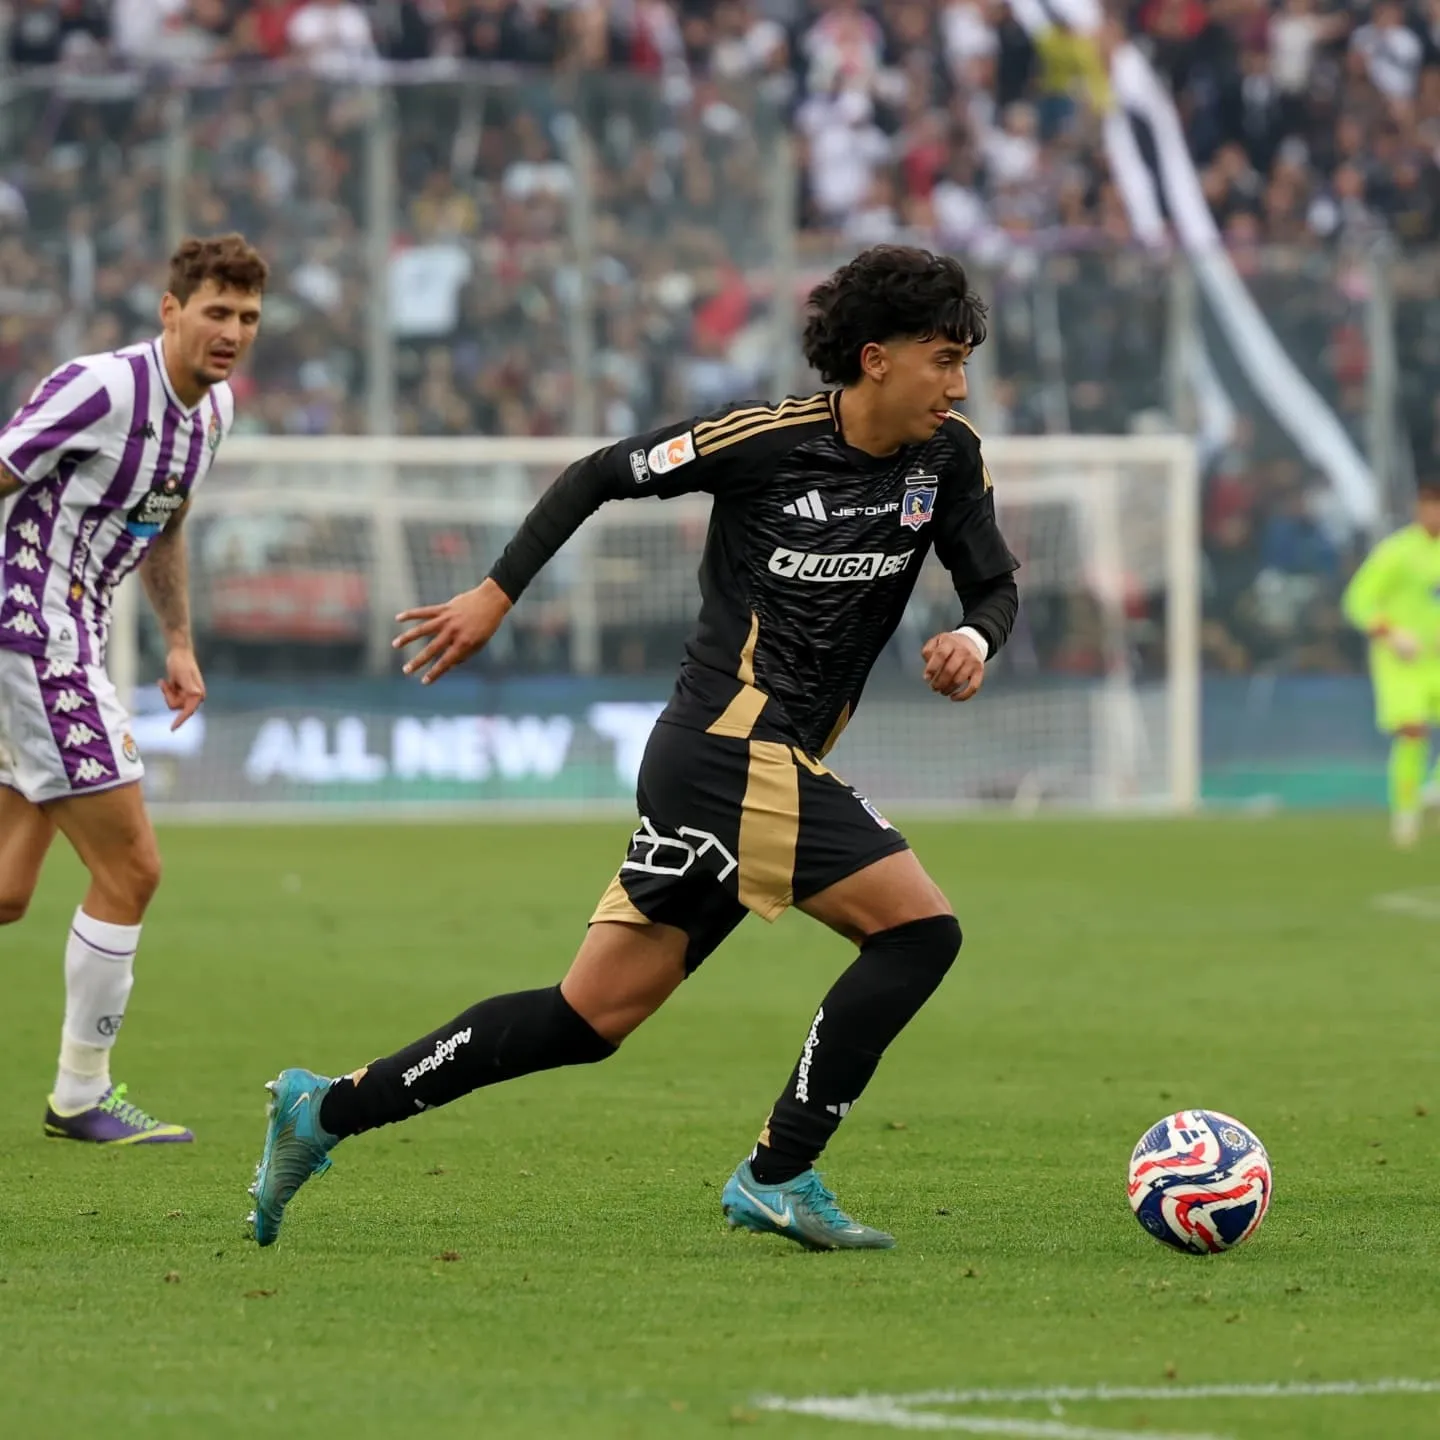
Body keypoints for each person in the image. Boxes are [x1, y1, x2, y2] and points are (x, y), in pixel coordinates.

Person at [247, 245, 1019, 1249]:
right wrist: (495, 593)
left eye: (965, 362)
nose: (958, 385)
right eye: (943, 359)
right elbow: (597, 474)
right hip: (723, 747)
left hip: (761, 763)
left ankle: (325, 1109)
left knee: (589, 1017)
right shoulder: (763, 441)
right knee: (920, 931)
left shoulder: (946, 457)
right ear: (875, 358)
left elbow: (992, 583)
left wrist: (973, 637)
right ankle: (780, 1171)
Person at [0, 234, 266, 1142]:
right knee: (133, 867)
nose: (231, 331)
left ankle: (80, 1094)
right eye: (215, 312)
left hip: (68, 637)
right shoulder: (103, 387)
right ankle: (80, 1093)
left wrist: (180, 640)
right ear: (170, 309)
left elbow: (168, 521)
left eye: (247, 318)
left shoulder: (215, 413)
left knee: (6, 889)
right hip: (34, 637)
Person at [1342, 478, 1440, 848]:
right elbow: (1357, 601)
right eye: (1429, 506)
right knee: (1413, 732)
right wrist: (1392, 633)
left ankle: (1436, 790)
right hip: (1402, 662)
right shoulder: (1395, 552)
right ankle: (1406, 813)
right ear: (1419, 510)